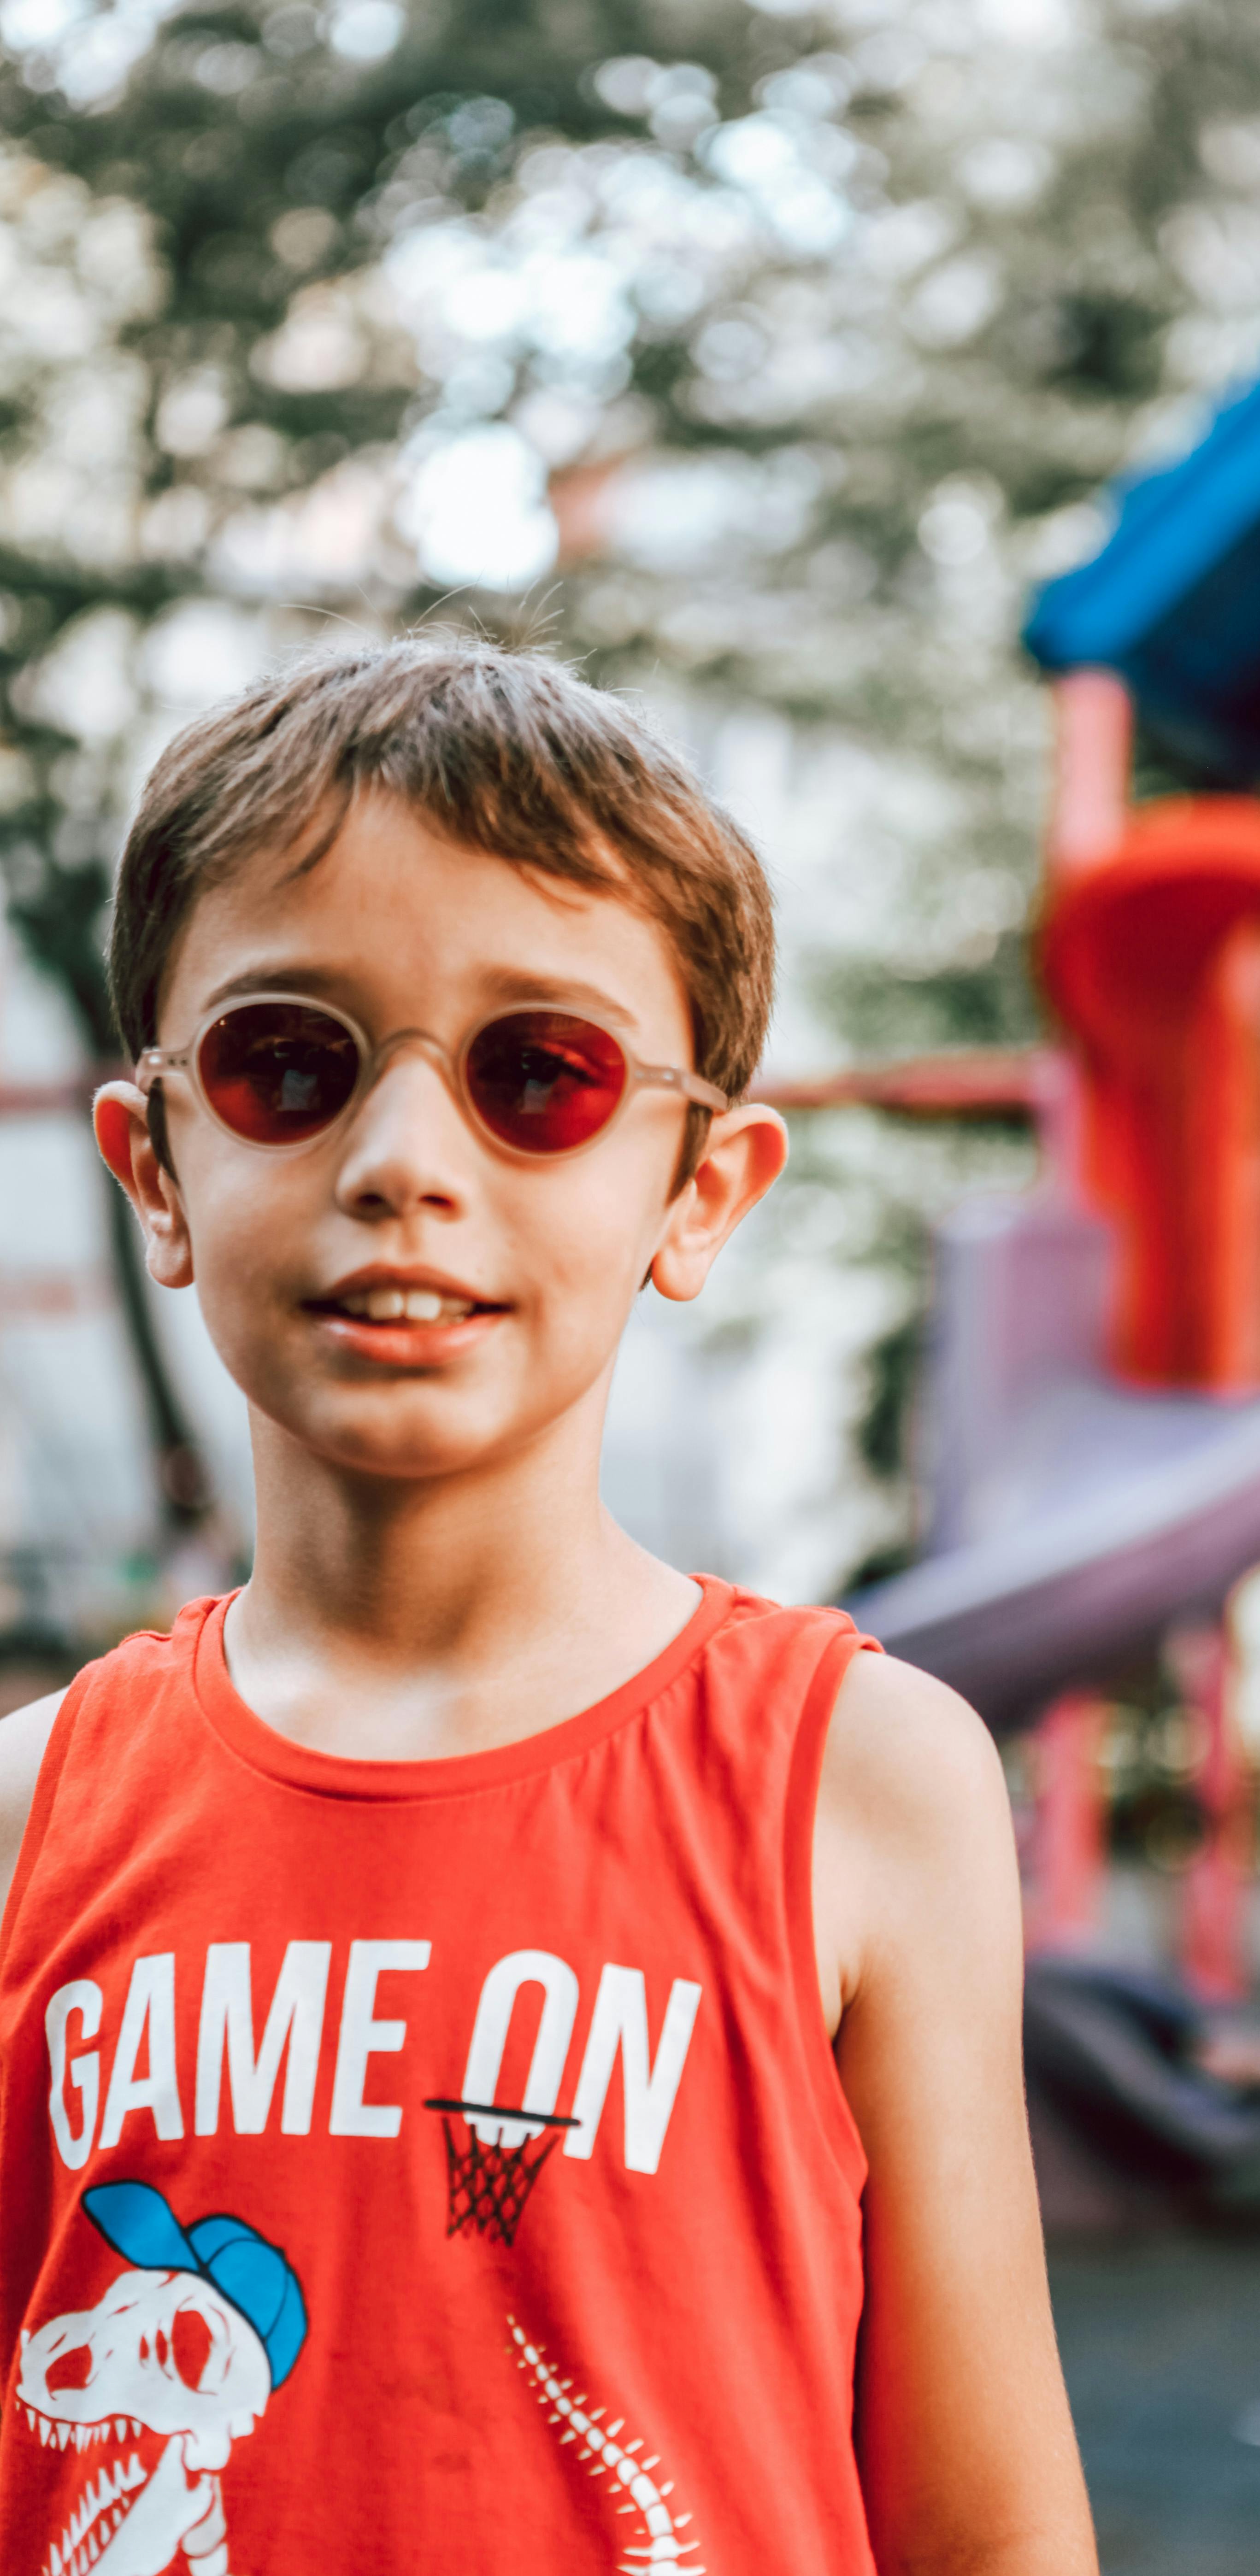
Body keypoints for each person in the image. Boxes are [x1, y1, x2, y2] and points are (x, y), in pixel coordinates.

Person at [0, 639, 1098, 2576]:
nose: (405, 1165)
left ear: (698, 1190)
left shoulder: (856, 1780)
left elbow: (989, 2533)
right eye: (286, 1063)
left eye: (539, 1074)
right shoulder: (30, 1820)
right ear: (155, 1168)